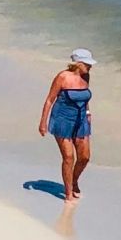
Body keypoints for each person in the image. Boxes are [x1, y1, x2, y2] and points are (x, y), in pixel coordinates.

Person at [38, 48, 96, 201]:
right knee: (69, 157)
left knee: (84, 157)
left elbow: (85, 97)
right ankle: (68, 193)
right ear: (77, 63)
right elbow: (50, 99)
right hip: (62, 119)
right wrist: (43, 122)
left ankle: (74, 180)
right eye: (87, 64)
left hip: (81, 119)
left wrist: (88, 113)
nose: (90, 67)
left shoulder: (86, 76)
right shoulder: (62, 77)